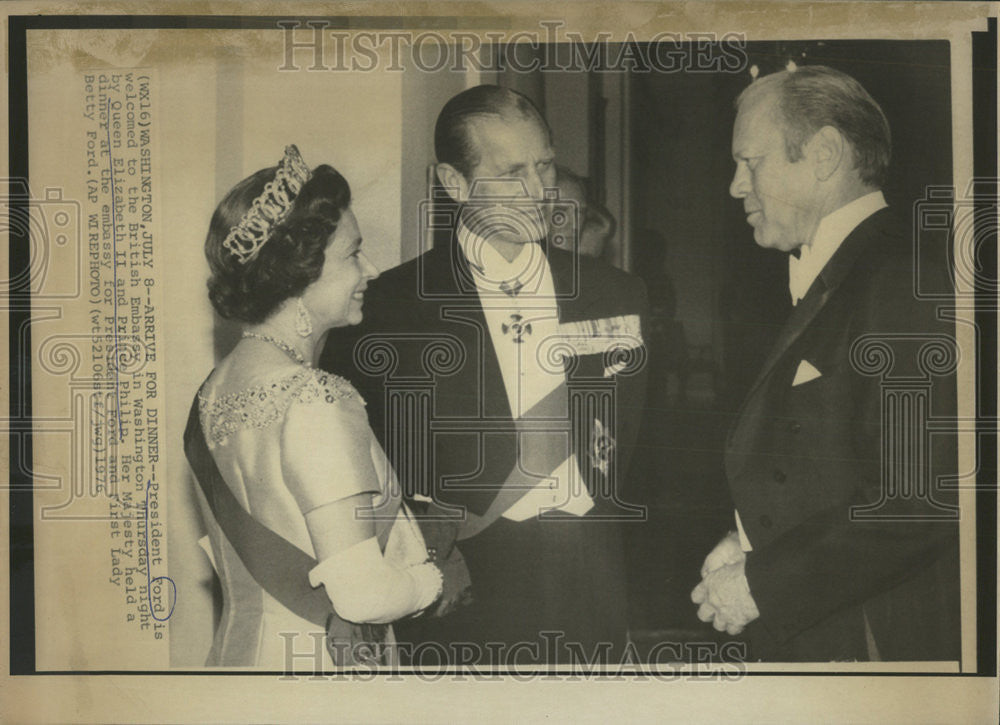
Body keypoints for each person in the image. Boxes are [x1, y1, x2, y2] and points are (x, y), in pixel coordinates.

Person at [322, 86, 649, 665]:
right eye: (512, 172)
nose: (541, 191)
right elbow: (362, 470)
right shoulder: (388, 309)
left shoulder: (615, 293)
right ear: (454, 184)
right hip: (464, 599)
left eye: (545, 164)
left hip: (592, 589)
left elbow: (623, 449)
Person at [691, 66, 960, 661]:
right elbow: (825, 461)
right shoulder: (845, 269)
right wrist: (746, 541)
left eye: (750, 162)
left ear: (824, 154)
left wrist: (763, 583)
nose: (736, 186)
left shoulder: (902, 278)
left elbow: (916, 500)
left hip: (878, 635)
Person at [184, 145, 447, 669]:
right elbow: (363, 596)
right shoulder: (316, 397)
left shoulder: (211, 392)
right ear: (298, 274)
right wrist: (428, 579)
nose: (370, 270)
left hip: (236, 663)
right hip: (319, 674)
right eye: (353, 254)